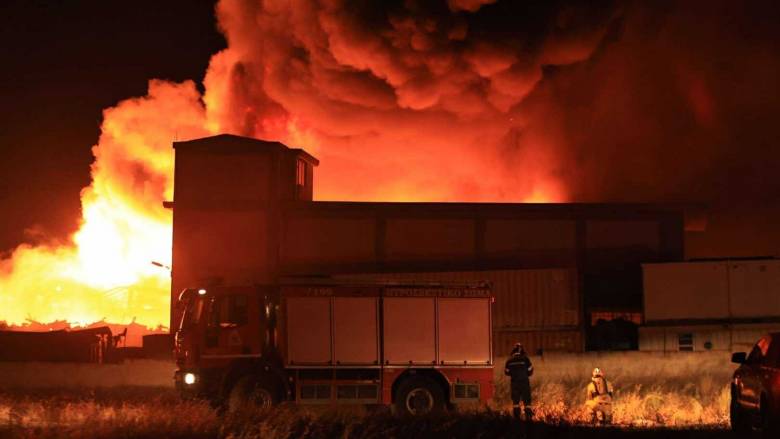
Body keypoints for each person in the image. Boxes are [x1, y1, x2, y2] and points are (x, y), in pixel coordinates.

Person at [504, 342, 533, 419]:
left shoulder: (509, 360)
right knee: (527, 400)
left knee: (515, 401)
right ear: (522, 350)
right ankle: (528, 418)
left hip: (514, 383)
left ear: (513, 351)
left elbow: (506, 372)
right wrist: (525, 374)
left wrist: (513, 374)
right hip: (524, 382)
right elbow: (530, 371)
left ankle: (516, 418)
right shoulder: (525, 359)